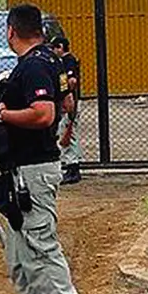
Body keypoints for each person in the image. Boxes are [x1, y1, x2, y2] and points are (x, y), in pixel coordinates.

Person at [0, 4, 79, 294]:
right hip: (21, 168)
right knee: (19, 245)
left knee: (40, 242)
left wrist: (5, 114)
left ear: (11, 30)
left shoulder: (35, 65)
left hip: (34, 169)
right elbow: (68, 103)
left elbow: (45, 114)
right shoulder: (49, 62)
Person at [51, 37, 83, 186]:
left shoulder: (67, 60)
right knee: (65, 132)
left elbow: (72, 81)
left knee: (69, 133)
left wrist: (66, 95)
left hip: (70, 101)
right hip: (67, 101)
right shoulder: (63, 61)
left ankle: (73, 168)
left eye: (55, 47)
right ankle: (70, 166)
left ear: (61, 47)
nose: (53, 51)